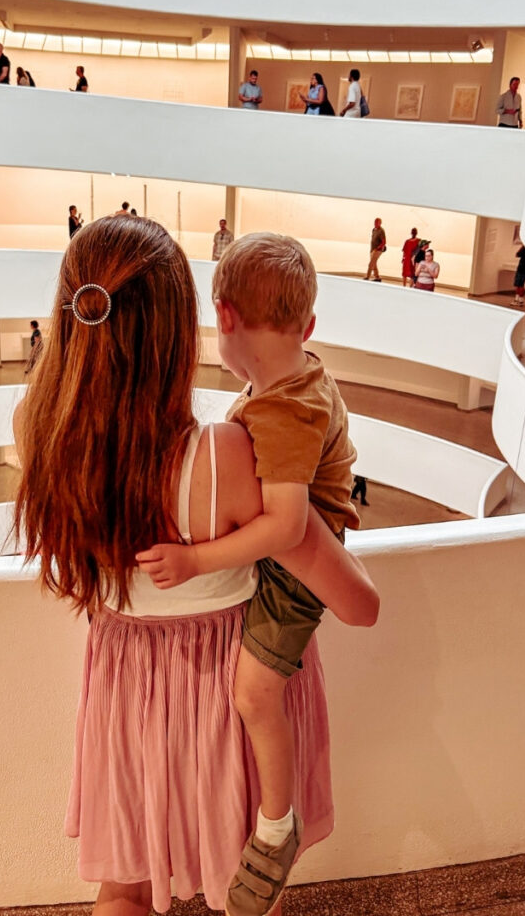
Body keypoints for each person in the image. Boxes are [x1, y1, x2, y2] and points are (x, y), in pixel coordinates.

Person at [13, 216, 378, 916]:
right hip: (223, 690)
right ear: (182, 330)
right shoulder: (226, 456)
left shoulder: (49, 445)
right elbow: (357, 602)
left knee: (122, 887)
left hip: (126, 693)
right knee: (246, 888)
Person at [137, 232, 374, 916]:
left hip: (296, 578)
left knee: (252, 696)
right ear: (308, 326)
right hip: (294, 559)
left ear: (225, 317)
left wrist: (194, 560)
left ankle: (275, 828)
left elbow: (288, 528)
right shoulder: (290, 380)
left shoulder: (285, 408)